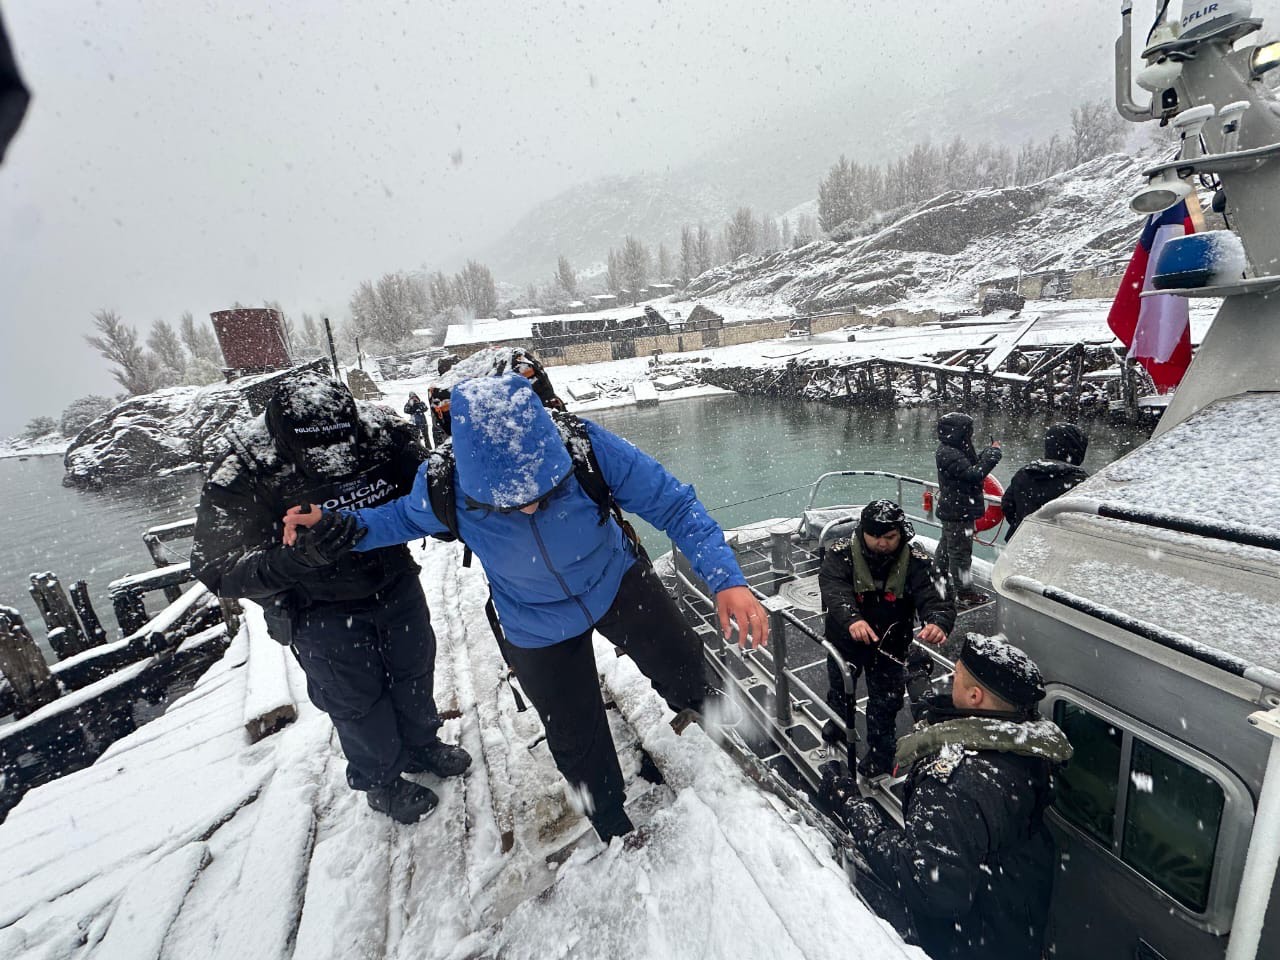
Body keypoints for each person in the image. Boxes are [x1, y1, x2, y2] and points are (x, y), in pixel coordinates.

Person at [283, 373, 767, 843]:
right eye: (507, 505)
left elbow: (675, 505)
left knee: (684, 662)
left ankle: (729, 728)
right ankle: (610, 823)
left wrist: (728, 580)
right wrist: (336, 524)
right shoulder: (442, 485)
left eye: (543, 492)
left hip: (614, 580)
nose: (530, 508)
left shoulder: (586, 448)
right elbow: (395, 520)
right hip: (534, 622)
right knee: (574, 737)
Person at [190, 371, 471, 825]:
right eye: (319, 455)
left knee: (414, 667)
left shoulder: (385, 435)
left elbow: (433, 496)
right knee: (354, 698)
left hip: (394, 581)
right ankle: (381, 780)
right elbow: (216, 570)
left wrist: (447, 519)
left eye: (343, 448)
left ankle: (422, 743)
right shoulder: (245, 468)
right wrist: (297, 560)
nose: (336, 462)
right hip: (315, 605)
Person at [826, 633, 1073, 960]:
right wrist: (916, 682)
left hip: (971, 942)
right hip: (1015, 912)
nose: (950, 681)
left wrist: (853, 806)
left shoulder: (953, 786)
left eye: (956, 676)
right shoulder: (1027, 738)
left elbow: (931, 886)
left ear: (974, 696)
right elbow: (962, 730)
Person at [818, 500, 955, 778]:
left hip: (891, 644)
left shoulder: (918, 561)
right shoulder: (839, 555)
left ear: (900, 533)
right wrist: (852, 619)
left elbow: (936, 597)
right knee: (840, 688)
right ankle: (839, 724)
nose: (883, 543)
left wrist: (938, 622)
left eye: (890, 537)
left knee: (885, 702)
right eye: (875, 537)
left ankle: (880, 753)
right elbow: (834, 588)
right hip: (845, 640)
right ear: (863, 532)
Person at [933, 412, 1002, 604]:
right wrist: (993, 454)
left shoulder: (952, 449)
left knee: (948, 547)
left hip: (955, 509)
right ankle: (965, 593)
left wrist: (987, 454)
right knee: (960, 553)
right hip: (958, 511)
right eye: (968, 431)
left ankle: (937, 580)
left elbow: (969, 467)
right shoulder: (950, 452)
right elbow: (973, 474)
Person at [1001, 422, 1089, 540]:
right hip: (1057, 546)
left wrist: (1020, 523)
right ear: (1078, 449)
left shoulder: (1025, 472)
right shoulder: (1082, 482)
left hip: (1020, 541)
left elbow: (1007, 504)